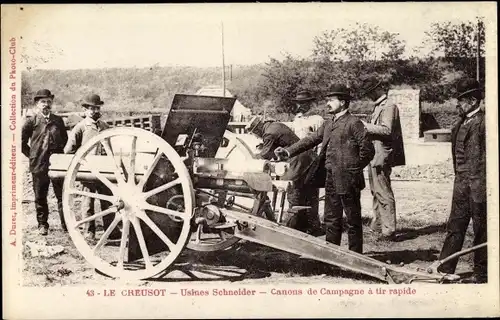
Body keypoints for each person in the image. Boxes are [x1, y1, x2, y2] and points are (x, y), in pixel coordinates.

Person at [275, 84, 374, 253]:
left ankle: (356, 256)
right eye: (327, 100)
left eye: (331, 100)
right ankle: (331, 255)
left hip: (348, 180)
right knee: (331, 219)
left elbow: (368, 150)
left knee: (352, 220)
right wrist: (287, 152)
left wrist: (352, 169)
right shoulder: (329, 124)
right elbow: (310, 140)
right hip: (330, 179)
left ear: (342, 102)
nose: (327, 103)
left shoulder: (354, 123)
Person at [438, 78, 487, 284]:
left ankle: (482, 273)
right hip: (461, 184)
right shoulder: (459, 124)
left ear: (474, 101)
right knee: (455, 226)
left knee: (481, 230)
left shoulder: (485, 123)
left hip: (479, 186)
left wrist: (483, 184)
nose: (458, 104)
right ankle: (444, 268)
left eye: (462, 100)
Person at [245, 116, 323, 235]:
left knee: (293, 191)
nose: (256, 136)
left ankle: (295, 228)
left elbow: (266, 154)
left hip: (298, 161)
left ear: (257, 129)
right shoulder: (275, 125)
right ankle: (313, 226)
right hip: (309, 159)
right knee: (310, 194)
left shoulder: (269, 133)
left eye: (254, 133)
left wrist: (249, 159)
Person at [64, 94, 119, 241]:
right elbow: (69, 150)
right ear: (85, 110)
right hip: (87, 172)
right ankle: (89, 231)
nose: (94, 111)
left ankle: (111, 231)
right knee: (87, 202)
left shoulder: (104, 127)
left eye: (97, 108)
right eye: (91, 108)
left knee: (107, 201)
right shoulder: (80, 128)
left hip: (104, 171)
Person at [360, 77, 405, 240]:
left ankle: (389, 230)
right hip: (375, 153)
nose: (369, 96)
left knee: (383, 191)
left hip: (382, 154)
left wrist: (363, 126)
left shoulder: (389, 106)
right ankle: (379, 224)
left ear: (378, 89)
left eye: (370, 92)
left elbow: (387, 130)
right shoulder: (379, 106)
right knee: (375, 190)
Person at [22, 89, 68, 235]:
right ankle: (43, 225)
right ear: (37, 104)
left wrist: (60, 156)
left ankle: (66, 224)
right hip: (39, 165)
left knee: (62, 195)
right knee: (40, 196)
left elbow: (65, 141)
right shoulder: (31, 121)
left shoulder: (58, 121)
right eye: (43, 102)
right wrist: (32, 156)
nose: (46, 104)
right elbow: (21, 142)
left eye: (49, 101)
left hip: (58, 165)